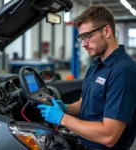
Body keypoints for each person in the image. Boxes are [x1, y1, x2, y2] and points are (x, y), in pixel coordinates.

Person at [37, 5, 136, 150]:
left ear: (107, 31)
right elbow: (84, 104)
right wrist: (65, 109)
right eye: (81, 38)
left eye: (87, 36)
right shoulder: (96, 66)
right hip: (83, 143)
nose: (83, 44)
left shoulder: (123, 71)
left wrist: (62, 118)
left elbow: (109, 136)